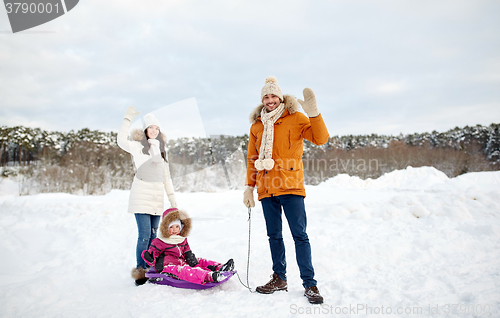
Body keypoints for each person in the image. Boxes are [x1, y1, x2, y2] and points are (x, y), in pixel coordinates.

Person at [243, 76, 329, 304]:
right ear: (262, 99)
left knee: (300, 236)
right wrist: (248, 189)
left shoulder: (296, 118)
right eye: (266, 97)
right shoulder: (257, 125)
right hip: (266, 189)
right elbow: (252, 158)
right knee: (274, 236)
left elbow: (321, 138)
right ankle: (279, 278)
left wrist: (313, 113)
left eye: (273, 96)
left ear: (280, 97)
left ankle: (310, 284)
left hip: (290, 186)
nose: (270, 100)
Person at [117, 106, 177, 285]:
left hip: (156, 197)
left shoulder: (161, 150)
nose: (154, 130)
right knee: (143, 235)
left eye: (157, 128)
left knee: (153, 236)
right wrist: (127, 119)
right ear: (145, 130)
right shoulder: (137, 147)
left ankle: (151, 268)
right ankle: (141, 271)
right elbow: (121, 141)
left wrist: (173, 199)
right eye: (151, 128)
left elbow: (166, 178)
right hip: (141, 195)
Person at [142, 208, 234, 285]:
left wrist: (195, 264)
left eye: (177, 227)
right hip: (167, 266)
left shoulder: (182, 239)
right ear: (165, 228)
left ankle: (221, 267)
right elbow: (153, 257)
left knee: (200, 260)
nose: (174, 230)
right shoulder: (159, 241)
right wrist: (149, 258)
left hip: (181, 261)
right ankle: (210, 276)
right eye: (171, 227)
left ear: (181, 227)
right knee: (186, 270)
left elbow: (188, 253)